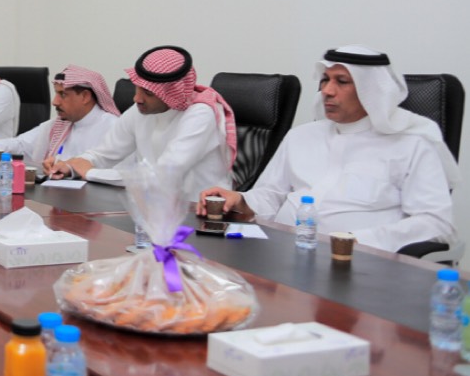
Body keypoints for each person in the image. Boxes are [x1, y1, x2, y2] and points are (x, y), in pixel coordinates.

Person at [196, 46, 458, 253]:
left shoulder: (411, 145)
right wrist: (240, 200)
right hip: (279, 253)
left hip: (360, 264)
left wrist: (357, 241)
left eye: (342, 81)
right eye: (325, 80)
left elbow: (435, 223)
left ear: (372, 91)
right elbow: (272, 195)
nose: (327, 91)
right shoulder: (301, 136)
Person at [47, 46, 236, 197]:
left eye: (148, 93)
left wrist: (89, 172)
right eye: (137, 88)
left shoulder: (201, 114)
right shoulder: (141, 110)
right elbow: (104, 153)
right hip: (152, 207)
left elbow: (164, 176)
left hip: (199, 212)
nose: (137, 98)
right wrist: (71, 166)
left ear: (171, 94)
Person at [0, 65, 121, 165]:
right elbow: (22, 144)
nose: (54, 102)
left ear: (85, 96)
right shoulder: (61, 123)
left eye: (63, 94)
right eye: (56, 93)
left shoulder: (113, 128)